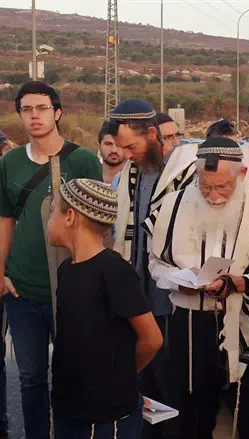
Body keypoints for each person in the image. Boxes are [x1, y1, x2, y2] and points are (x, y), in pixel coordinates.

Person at [144, 137, 249, 439]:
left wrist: (242, 283)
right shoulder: (173, 205)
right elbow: (155, 264)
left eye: (222, 187)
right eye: (205, 186)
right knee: (190, 412)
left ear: (243, 174)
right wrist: (180, 279)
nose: (213, 196)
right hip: (189, 324)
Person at [0, 81, 102, 439]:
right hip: (22, 291)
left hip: (72, 289)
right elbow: (4, 221)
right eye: (27, 109)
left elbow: (98, 224)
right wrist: (1, 273)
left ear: (57, 112)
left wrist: (93, 279)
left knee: (72, 374)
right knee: (30, 378)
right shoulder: (10, 162)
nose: (34, 116)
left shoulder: (84, 160)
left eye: (42, 108)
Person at [108, 98, 198, 439]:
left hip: (174, 297)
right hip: (138, 295)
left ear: (151, 133)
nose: (127, 154)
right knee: (143, 383)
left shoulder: (187, 172)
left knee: (173, 384)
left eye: (132, 146)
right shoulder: (132, 173)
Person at [47, 178, 162, 439]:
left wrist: (121, 376)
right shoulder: (67, 270)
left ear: (70, 217)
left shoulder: (113, 270)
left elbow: (152, 338)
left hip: (106, 416)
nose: (49, 218)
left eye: (53, 210)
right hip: (69, 406)